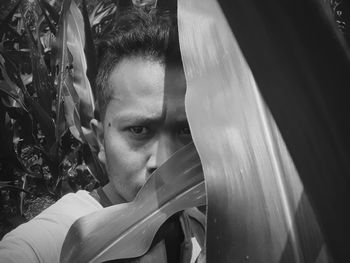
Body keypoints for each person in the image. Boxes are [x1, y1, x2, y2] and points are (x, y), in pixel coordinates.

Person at [0, 7, 205, 263]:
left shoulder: (202, 230)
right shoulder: (54, 241)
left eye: (185, 131)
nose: (163, 162)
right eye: (139, 130)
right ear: (99, 141)